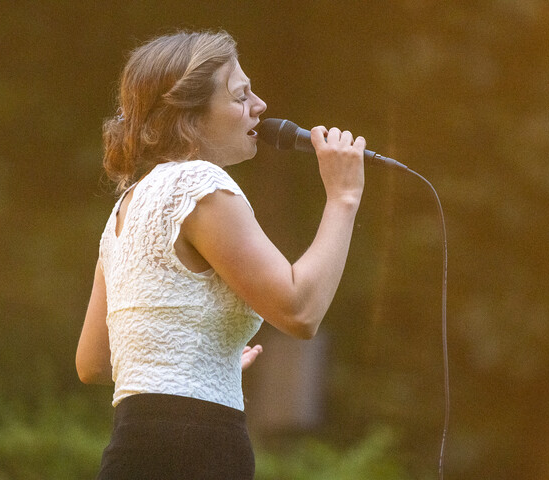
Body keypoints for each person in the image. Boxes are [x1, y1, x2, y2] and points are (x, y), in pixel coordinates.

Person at [75, 29, 366, 480]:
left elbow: (92, 362)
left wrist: (207, 359)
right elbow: (299, 310)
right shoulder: (201, 186)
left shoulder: (126, 207)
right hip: (199, 451)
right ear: (190, 115)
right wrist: (343, 199)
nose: (260, 106)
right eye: (240, 95)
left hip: (129, 451)